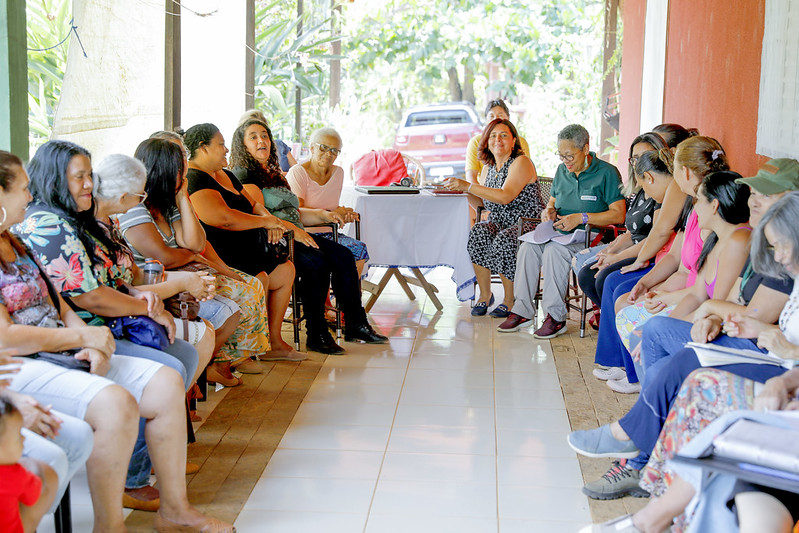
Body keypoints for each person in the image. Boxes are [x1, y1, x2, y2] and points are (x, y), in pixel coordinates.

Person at [0, 149, 234, 532]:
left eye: (90, 175)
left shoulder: (18, 238)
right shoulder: (46, 225)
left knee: (167, 378)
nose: (91, 185)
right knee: (136, 388)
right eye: (80, 177)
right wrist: (84, 334)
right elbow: (14, 332)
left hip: (72, 340)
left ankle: (174, 509)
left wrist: (87, 336)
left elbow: (61, 303)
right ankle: (116, 515)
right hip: (33, 356)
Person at [569, 186, 798, 502]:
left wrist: (712, 312)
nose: (754, 200)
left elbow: (747, 314)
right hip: (761, 347)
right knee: (663, 354)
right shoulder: (772, 253)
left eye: (765, 195)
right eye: (753, 193)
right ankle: (640, 452)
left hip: (768, 358)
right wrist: (711, 317)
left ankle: (634, 446)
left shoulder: (758, 250)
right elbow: (730, 303)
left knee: (673, 351)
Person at [229, 119, 388, 354]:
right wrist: (297, 232)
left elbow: (295, 212)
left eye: (264, 135)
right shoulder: (243, 174)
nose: (261, 141)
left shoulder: (273, 173)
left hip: (296, 233)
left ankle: (356, 323)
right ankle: (317, 332)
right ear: (242, 144)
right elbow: (262, 215)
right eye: (253, 137)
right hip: (272, 239)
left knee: (344, 255)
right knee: (317, 263)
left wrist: (325, 215)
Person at [593, 136, 730, 393]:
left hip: (697, 305)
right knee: (625, 296)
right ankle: (643, 380)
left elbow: (706, 291)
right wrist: (649, 285)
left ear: (685, 172)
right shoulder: (695, 207)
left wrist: (666, 295)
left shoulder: (717, 220)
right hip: (685, 291)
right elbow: (677, 260)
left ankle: (647, 385)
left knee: (628, 303)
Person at [183, 123, 302, 359]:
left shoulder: (225, 174)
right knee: (261, 278)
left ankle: (273, 341)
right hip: (223, 253)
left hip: (251, 247)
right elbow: (221, 218)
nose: (226, 150)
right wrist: (264, 223)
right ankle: (244, 354)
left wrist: (269, 220)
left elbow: (254, 204)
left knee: (286, 270)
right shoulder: (194, 178)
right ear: (203, 148)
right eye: (220, 145)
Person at [497, 124, 626, 337]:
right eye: (561, 156)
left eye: (570, 156)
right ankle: (522, 310)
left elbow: (618, 215)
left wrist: (582, 218)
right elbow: (552, 203)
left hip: (593, 236)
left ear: (585, 149)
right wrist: (547, 212)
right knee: (528, 247)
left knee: (553, 251)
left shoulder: (607, 173)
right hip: (561, 234)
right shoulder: (561, 172)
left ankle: (555, 317)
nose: (565, 162)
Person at [443, 118, 542, 318]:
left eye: (504, 135)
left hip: (527, 223)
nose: (498, 140)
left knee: (504, 239)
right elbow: (483, 204)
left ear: (514, 141)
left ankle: (509, 299)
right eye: (493, 136)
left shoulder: (521, 162)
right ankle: (485, 295)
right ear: (487, 141)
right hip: (500, 221)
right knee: (479, 232)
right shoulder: (488, 168)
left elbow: (505, 196)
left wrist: (468, 186)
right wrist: (461, 192)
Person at [575, 135, 671, 328]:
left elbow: (656, 236)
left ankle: (614, 325)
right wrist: (610, 251)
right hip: (634, 247)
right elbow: (630, 232)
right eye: (634, 158)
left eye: (645, 156)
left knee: (604, 277)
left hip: (649, 252)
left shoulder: (661, 192)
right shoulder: (641, 191)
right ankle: (612, 321)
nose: (639, 163)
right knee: (587, 273)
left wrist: (618, 257)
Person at [286, 127, 369, 276]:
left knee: (359, 249)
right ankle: (335, 297)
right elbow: (296, 212)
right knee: (337, 256)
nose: (329, 154)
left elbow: (329, 206)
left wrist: (344, 214)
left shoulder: (338, 173)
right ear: (312, 147)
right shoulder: (298, 172)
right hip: (306, 235)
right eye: (323, 147)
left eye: (334, 150)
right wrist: (332, 213)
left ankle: (342, 298)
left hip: (331, 232)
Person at [0, 395, 57, 533]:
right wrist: (31, 469)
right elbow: (33, 496)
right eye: (19, 435)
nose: (24, 438)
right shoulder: (16, 475)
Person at [464, 98, 533, 185]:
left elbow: (507, 193)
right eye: (491, 116)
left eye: (500, 115)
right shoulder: (487, 167)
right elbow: (471, 178)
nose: (497, 140)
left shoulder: (521, 153)